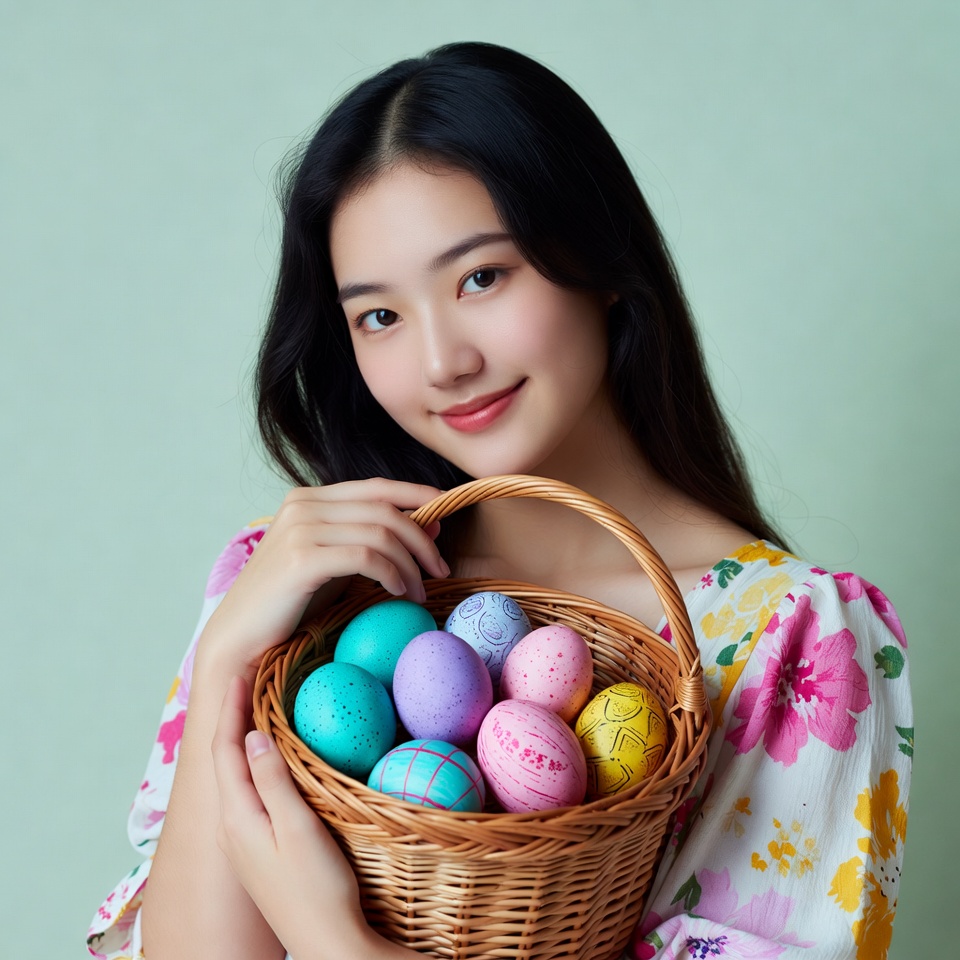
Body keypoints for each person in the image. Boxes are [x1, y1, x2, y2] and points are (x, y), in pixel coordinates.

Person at [87, 41, 912, 960]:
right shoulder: (298, 585)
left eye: (482, 276)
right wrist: (229, 662)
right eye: (380, 316)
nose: (442, 361)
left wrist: (335, 939)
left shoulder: (789, 641)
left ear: (597, 259)